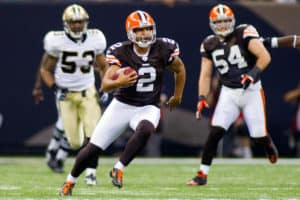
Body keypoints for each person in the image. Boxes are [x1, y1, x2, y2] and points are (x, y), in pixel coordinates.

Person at [59, 10, 186, 196]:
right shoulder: (121, 52)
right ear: (130, 32)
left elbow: (180, 68)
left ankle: (119, 167)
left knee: (146, 129)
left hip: (148, 105)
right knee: (92, 148)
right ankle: (70, 181)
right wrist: (119, 82)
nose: (145, 34)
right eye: (140, 30)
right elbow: (105, 84)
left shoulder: (163, 48)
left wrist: (178, 95)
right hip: (122, 105)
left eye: (148, 29)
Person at [186, 4, 278, 186]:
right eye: (218, 22)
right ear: (212, 23)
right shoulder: (209, 43)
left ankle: (267, 142)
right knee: (215, 132)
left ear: (233, 20)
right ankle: (202, 174)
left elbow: (264, 56)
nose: (222, 25)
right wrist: (201, 97)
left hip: (251, 92)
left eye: (226, 21)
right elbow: (205, 74)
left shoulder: (243, 32)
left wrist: (252, 74)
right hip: (229, 92)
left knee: (258, 136)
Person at [39, 4, 108, 185]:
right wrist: (55, 88)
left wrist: (105, 87)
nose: (77, 25)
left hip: (88, 92)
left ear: (86, 22)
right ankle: (55, 153)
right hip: (67, 96)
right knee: (75, 142)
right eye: (73, 22)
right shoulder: (56, 41)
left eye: (80, 22)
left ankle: (91, 174)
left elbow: (103, 66)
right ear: (66, 23)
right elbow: (45, 70)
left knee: (94, 135)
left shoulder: (96, 38)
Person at [32, 70, 71, 174]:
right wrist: (38, 86)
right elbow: (44, 66)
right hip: (64, 87)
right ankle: (56, 155)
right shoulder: (59, 52)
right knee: (66, 121)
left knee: (75, 124)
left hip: (83, 88)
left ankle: (57, 155)